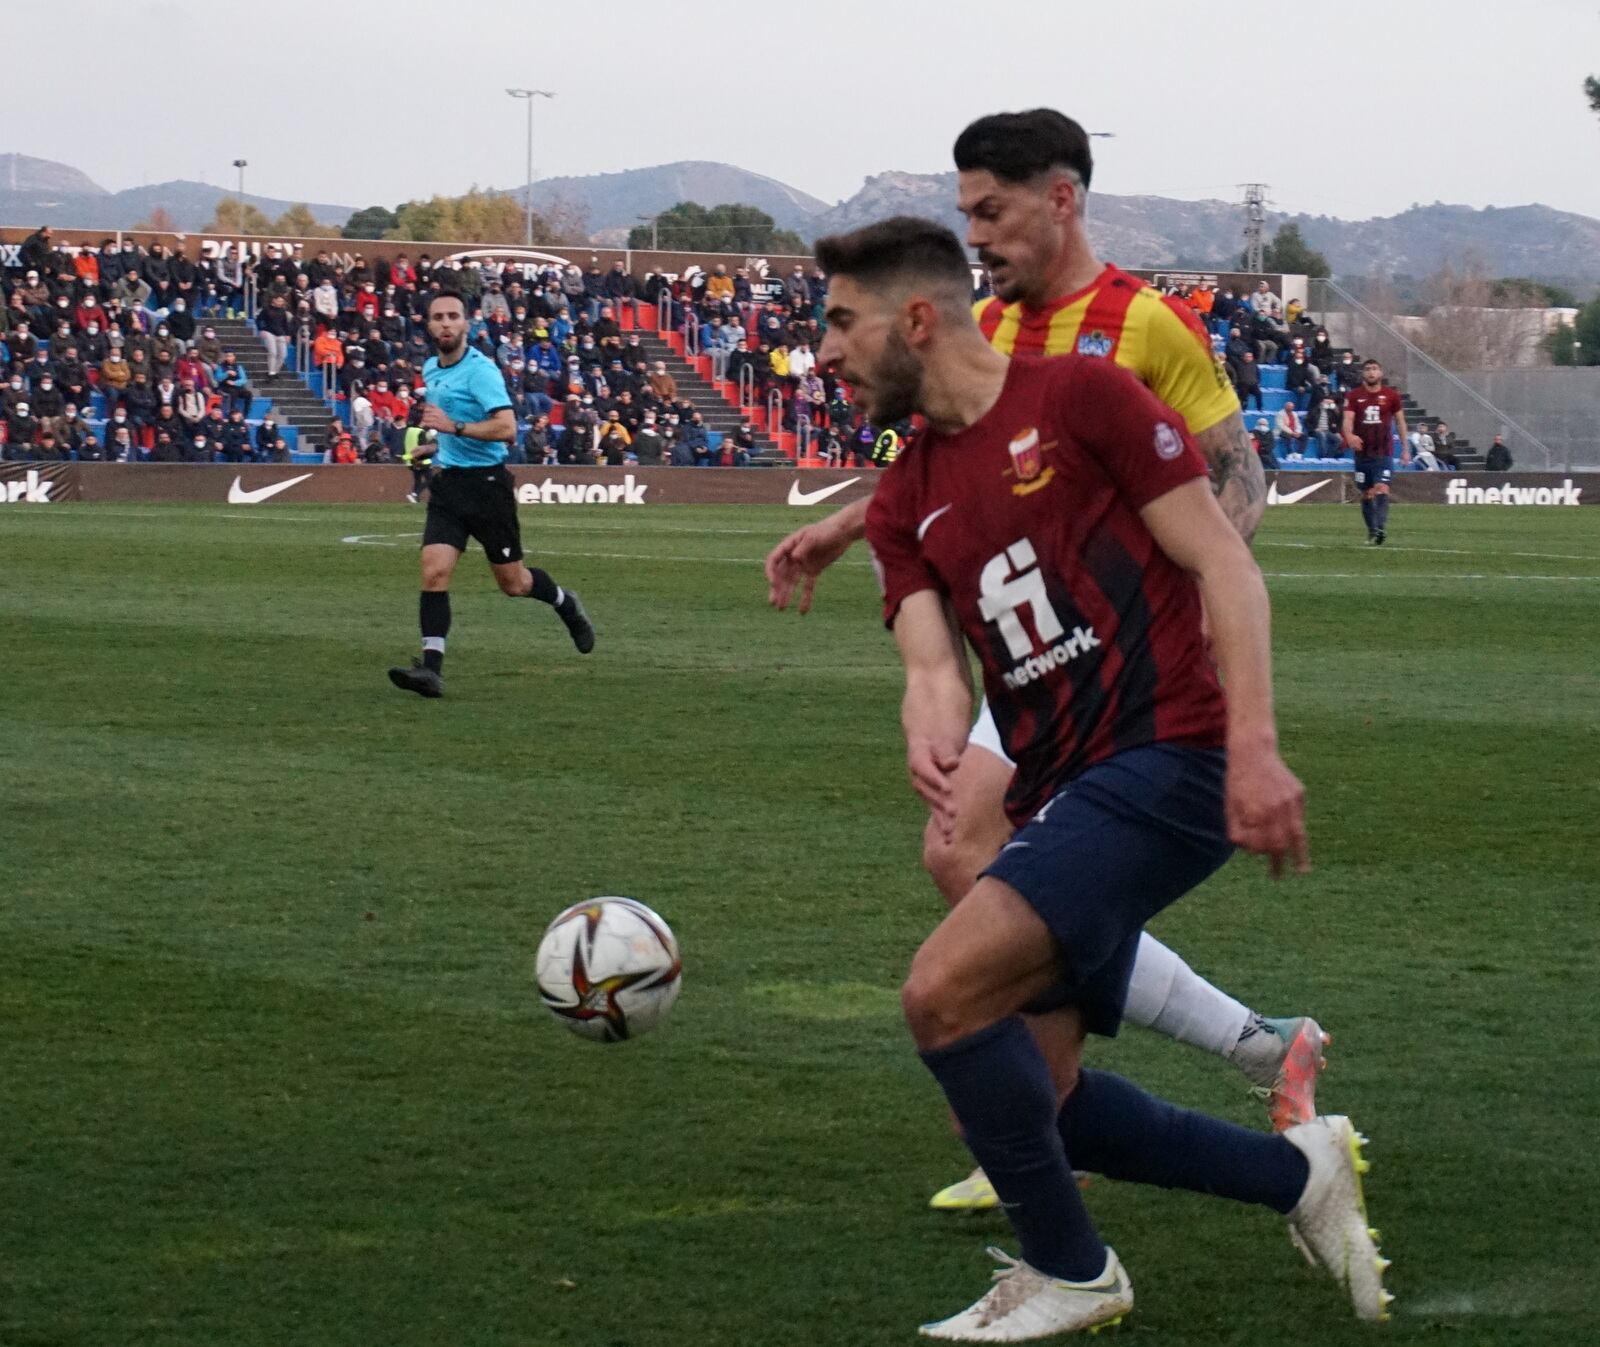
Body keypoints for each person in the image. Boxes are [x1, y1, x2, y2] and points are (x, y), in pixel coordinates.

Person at [818, 217, 1383, 1338]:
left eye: (839, 323)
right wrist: (928, 733)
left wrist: (1256, 744)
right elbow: (932, 666)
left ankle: (1073, 1272)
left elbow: (1223, 559)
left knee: (938, 994)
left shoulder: (1079, 402)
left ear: (915, 319)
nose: (822, 352)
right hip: (1062, 786)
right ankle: (1297, 1178)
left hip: (1172, 753)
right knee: (1041, 1107)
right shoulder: (898, 503)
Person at [766, 110, 1321, 1215]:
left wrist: (1155, 588)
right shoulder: (989, 327)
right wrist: (844, 526)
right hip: (1023, 648)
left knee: (976, 852)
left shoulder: (1143, 326)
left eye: (991, 210)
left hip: (1117, 652)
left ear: (1059, 200)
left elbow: (1232, 479)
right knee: (965, 854)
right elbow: (946, 455)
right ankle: (1084, 1087)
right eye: (964, 212)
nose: (976, 232)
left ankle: (1106, 1081)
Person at [387, 290, 595, 699]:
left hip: (487, 488)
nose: (445, 323)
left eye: (453, 316)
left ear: (468, 322)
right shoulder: (430, 368)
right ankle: (431, 670)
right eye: (438, 317)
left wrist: (453, 429)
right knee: (434, 571)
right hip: (449, 486)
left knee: (514, 584)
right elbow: (449, 427)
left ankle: (564, 601)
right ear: (428, 325)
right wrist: (436, 446)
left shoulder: (481, 372)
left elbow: (505, 429)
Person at [1341, 359, 1409, 545]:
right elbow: (1347, 420)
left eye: (1375, 369)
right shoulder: (1354, 396)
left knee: (1382, 488)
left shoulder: (1391, 395)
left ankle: (1380, 527)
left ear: (1381, 373)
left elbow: (1401, 422)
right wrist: (1350, 436)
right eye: (1368, 369)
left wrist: (1405, 449)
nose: (1371, 372)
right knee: (1368, 493)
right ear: (1363, 374)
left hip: (1383, 452)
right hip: (1363, 454)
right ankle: (1372, 529)